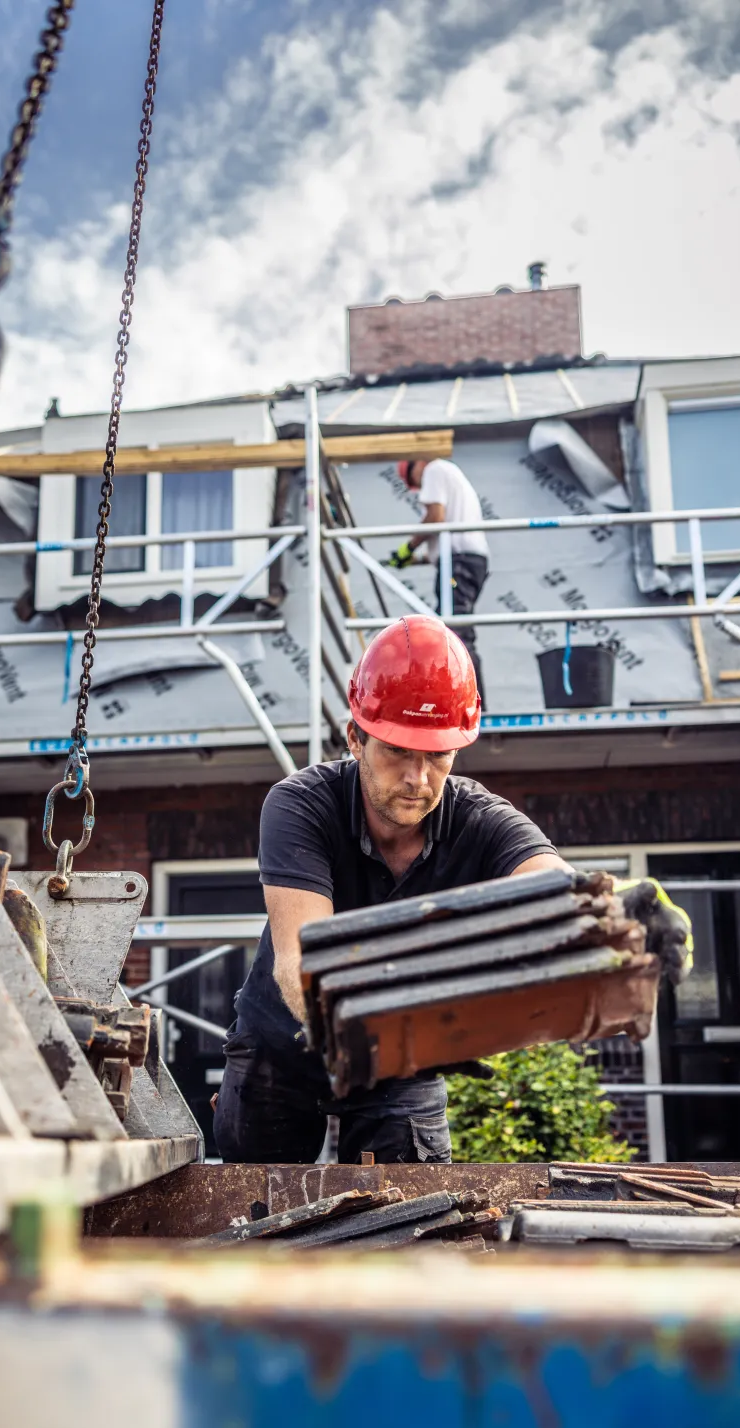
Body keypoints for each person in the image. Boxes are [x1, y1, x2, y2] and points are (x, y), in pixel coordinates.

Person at [213, 615, 565, 1166]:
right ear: (356, 738)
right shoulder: (300, 805)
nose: (418, 779)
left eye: (437, 755)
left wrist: (609, 913)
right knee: (256, 1202)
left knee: (409, 1206)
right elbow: (300, 960)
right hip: (283, 1042)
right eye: (398, 750)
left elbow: (555, 890)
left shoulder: (481, 819)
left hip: (401, 1059)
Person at [388, 457, 490, 706]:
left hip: (458, 562)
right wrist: (415, 559)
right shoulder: (449, 474)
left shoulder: (433, 470)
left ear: (418, 465)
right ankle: (467, 704)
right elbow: (446, 535)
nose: (417, 486)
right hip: (465, 561)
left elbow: (436, 517)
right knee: (452, 629)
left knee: (457, 632)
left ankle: (474, 706)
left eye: (412, 479)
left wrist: (408, 547)